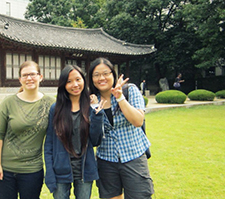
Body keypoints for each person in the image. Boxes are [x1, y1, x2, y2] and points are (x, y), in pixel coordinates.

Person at [88, 58, 154, 199]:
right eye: (96, 75)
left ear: (113, 74)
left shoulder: (130, 90)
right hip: (106, 159)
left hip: (133, 156)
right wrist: (93, 109)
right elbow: (93, 134)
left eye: (106, 73)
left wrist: (120, 98)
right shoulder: (92, 100)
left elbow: (138, 121)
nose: (101, 78)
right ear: (91, 78)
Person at [0, 60, 55, 199]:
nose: (29, 78)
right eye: (25, 75)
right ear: (20, 79)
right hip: (5, 169)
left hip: (32, 170)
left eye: (33, 74)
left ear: (40, 77)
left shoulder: (51, 104)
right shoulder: (8, 103)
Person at [44, 65, 105, 199]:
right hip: (61, 168)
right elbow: (49, 144)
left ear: (84, 80)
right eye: (69, 81)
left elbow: (96, 141)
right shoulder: (56, 109)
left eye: (78, 79)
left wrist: (97, 114)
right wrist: (49, 171)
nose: (75, 85)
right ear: (63, 85)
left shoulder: (91, 106)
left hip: (84, 168)